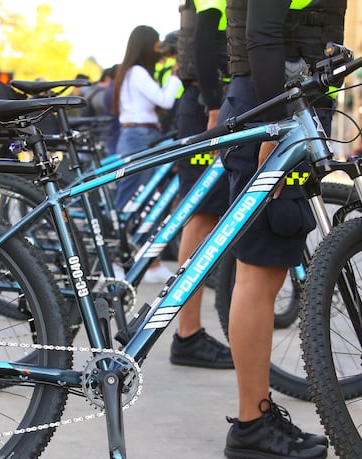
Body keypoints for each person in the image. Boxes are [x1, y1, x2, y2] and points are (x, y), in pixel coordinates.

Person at [219, 0, 346, 459]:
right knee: (263, 269)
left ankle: (255, 418)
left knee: (265, 267)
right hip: (275, 105)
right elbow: (264, 31)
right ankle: (252, 422)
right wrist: (276, 125)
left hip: (285, 101)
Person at [169, 0, 233, 369]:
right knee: (202, 215)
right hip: (208, 104)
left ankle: (189, 332)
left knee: (205, 214)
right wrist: (213, 105)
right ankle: (188, 333)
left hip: (209, 101)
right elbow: (205, 38)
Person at [111, 26, 182, 283]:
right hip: (141, 137)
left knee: (138, 200)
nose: (160, 49)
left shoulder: (129, 72)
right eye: (156, 44)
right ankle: (121, 260)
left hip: (137, 136)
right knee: (137, 200)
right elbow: (165, 101)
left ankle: (144, 261)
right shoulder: (138, 72)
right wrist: (175, 75)